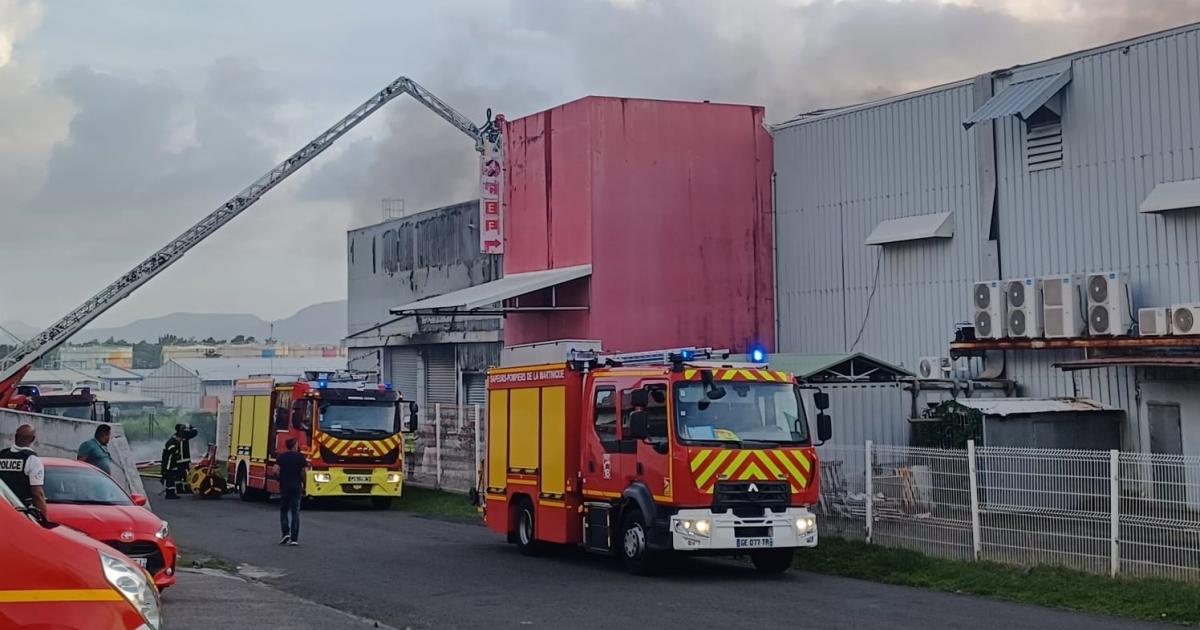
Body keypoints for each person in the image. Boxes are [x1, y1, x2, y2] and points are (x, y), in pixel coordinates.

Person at [0, 424, 49, 517]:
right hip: (20, 511)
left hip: (2, 509)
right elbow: (37, 494)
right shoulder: (32, 459)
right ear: (33, 439)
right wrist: (44, 518)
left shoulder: (2, 455)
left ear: (15, 436)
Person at [274, 438, 307, 546]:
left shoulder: (282, 457)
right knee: (295, 512)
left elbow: (275, 470)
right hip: (296, 487)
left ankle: (285, 533)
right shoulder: (300, 457)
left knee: (284, 510)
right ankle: (294, 539)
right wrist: (304, 484)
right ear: (295, 446)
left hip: (285, 487)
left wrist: (279, 478)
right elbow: (303, 472)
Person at [160, 424, 196, 499]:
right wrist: (191, 427)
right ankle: (170, 493)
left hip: (174, 464)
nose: (180, 441)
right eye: (180, 439)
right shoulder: (174, 442)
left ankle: (173, 492)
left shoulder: (175, 439)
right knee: (173, 478)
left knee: (176, 477)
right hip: (172, 464)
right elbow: (169, 457)